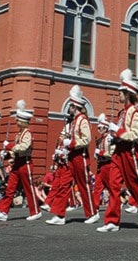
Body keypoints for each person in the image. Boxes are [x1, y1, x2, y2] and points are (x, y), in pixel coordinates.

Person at [97, 69, 138, 233]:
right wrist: (114, 135)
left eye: (122, 92)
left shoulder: (135, 112)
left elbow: (135, 134)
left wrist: (117, 131)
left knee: (135, 184)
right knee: (113, 185)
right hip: (119, 151)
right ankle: (112, 221)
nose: (119, 95)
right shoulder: (123, 112)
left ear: (128, 93)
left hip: (130, 152)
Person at [46, 85, 99, 225]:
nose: (69, 107)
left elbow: (86, 139)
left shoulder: (82, 120)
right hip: (71, 157)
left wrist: (71, 143)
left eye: (70, 105)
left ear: (75, 106)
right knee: (64, 184)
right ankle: (59, 215)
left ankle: (92, 213)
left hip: (80, 156)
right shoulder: (75, 121)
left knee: (83, 185)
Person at [0, 100, 42, 221]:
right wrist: (7, 154)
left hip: (25, 163)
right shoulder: (19, 134)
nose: (16, 121)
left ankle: (35, 211)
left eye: (18, 119)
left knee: (28, 188)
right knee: (10, 188)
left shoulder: (27, 133)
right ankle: (2, 211)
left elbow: (23, 147)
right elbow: (15, 151)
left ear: (23, 121)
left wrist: (9, 146)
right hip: (17, 163)